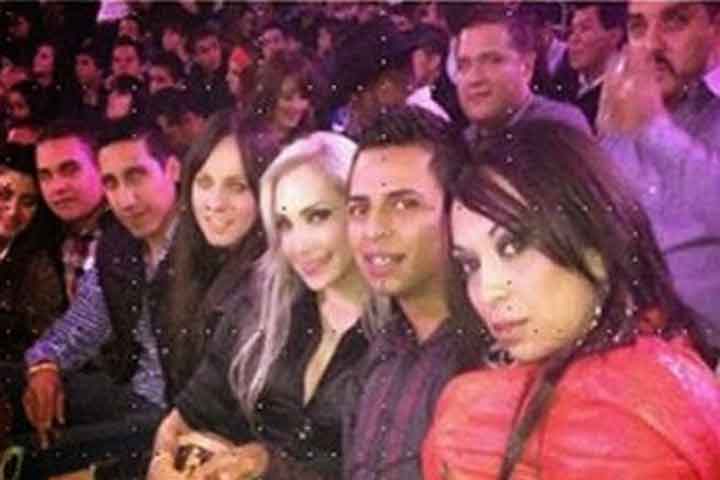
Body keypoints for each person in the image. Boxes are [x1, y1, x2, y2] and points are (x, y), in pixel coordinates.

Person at [423, 120, 720, 479]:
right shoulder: (678, 384)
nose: (488, 291)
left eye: (513, 247)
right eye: (470, 265)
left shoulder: (638, 413)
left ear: (595, 248)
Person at [148, 131, 374, 479]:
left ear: (358, 211)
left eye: (317, 216)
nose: (298, 245)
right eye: (285, 224)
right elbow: (185, 417)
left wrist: (266, 464)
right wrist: (162, 460)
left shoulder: (401, 329)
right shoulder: (260, 302)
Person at [343, 106, 488, 480]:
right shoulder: (381, 346)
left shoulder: (489, 358)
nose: (374, 230)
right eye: (359, 209)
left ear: (455, 211)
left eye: (404, 204)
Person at [598, 1, 720, 349]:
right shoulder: (619, 124)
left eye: (675, 21)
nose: (652, 45)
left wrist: (654, 129)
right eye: (638, 27)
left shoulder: (643, 120)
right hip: (627, 351)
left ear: (715, 27)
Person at [160, 109, 275, 402]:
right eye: (204, 182)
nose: (215, 203)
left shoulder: (270, 286)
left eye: (237, 187)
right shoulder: (184, 259)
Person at [455, 5, 589, 153]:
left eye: (493, 61)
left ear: (526, 67)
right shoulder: (463, 143)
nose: (474, 78)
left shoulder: (562, 129)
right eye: (463, 66)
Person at [0, 142, 64, 362]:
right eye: (4, 195)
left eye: (28, 202)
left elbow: (47, 346)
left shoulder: (38, 268)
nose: (13, 211)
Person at [567, 2, 626, 128]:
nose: (574, 39)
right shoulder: (564, 79)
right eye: (572, 30)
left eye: (585, 29)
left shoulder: (629, 96)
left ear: (614, 36)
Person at [244, 51, 319, 148]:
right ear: (269, 96)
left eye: (303, 97)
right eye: (287, 98)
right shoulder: (246, 142)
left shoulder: (311, 145)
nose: (296, 106)